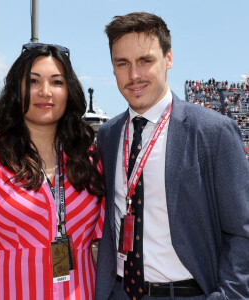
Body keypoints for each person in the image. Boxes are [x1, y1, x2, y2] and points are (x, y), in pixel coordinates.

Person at [95, 12, 249, 300]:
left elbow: (243, 231)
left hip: (186, 293)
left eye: (145, 61)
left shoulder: (214, 132)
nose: (134, 75)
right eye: (122, 64)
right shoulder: (108, 135)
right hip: (119, 292)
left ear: (168, 59)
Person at [0, 44, 105, 300]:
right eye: (33, 81)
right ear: (16, 90)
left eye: (57, 82)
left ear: (69, 92)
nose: (45, 92)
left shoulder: (88, 160)